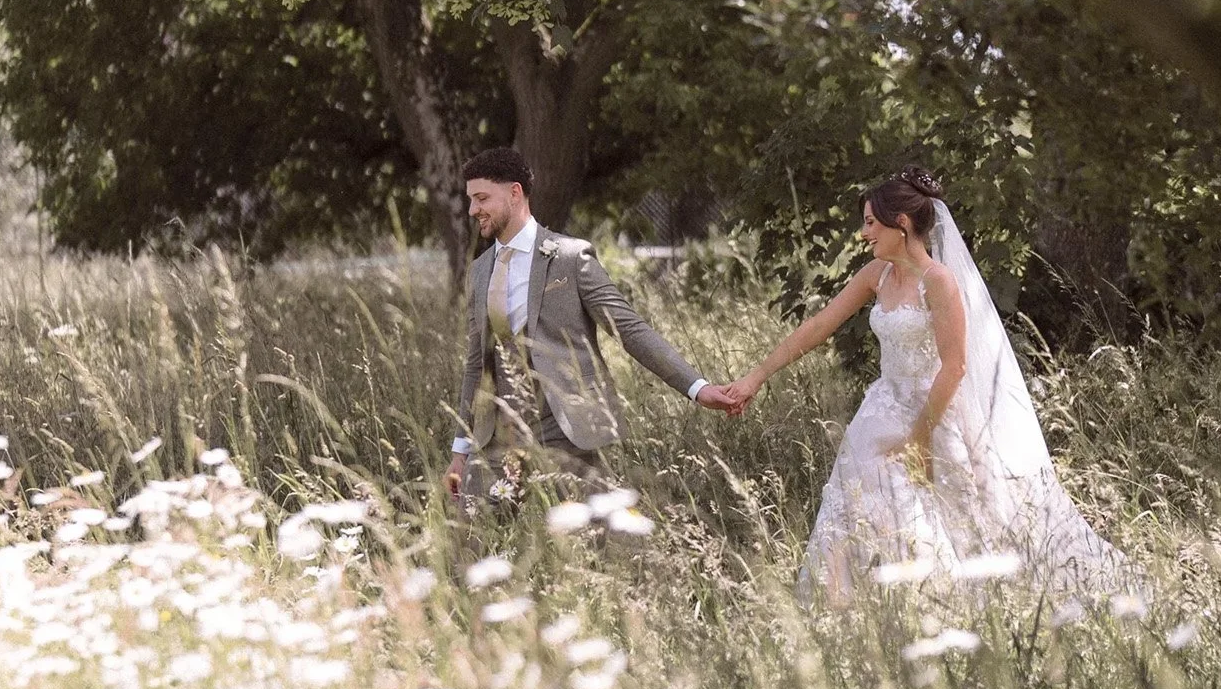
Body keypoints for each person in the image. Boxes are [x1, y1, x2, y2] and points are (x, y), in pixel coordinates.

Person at [720, 166, 1130, 600]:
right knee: (852, 507)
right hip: (880, 411)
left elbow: (954, 367)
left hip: (933, 415)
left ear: (902, 223)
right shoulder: (875, 275)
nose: (864, 234)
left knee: (945, 522)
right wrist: (756, 377)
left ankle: (938, 609)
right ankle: (844, 610)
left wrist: (918, 441)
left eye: (871, 223)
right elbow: (821, 324)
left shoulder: (939, 281)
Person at [443, 147, 738, 501]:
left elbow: (628, 328)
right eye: (471, 200)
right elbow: (476, 364)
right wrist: (460, 452)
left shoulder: (570, 258)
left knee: (585, 541)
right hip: (495, 432)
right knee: (476, 536)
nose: (473, 210)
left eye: (481, 198)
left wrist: (697, 388)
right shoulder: (479, 271)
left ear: (515, 193)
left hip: (566, 427)